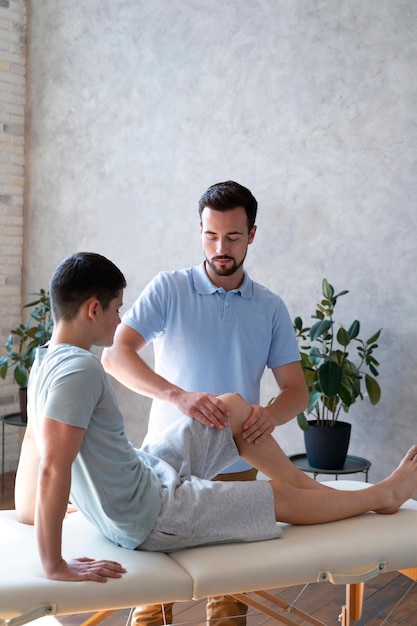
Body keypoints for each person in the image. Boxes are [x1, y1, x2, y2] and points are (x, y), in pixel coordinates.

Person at [15, 252, 417, 594]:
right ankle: (380, 496)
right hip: (151, 514)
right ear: (92, 308)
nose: (120, 321)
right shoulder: (80, 371)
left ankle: (308, 488)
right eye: (117, 309)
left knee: (230, 406)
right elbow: (53, 464)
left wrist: (30, 512)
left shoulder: (45, 358)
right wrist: (55, 565)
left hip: (143, 474)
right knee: (272, 498)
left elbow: (37, 446)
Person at [102, 181, 309, 626]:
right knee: (152, 600)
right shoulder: (168, 288)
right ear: (200, 230)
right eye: (211, 235)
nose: (221, 247)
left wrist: (269, 416)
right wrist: (179, 396)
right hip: (165, 461)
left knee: (230, 599)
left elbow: (296, 389)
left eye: (233, 237)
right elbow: (115, 355)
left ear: (252, 234)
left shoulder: (270, 307)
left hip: (237, 466)